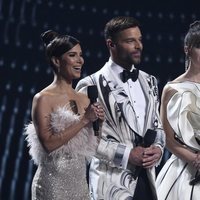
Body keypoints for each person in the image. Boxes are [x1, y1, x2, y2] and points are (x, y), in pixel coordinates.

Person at [76, 16, 165, 200]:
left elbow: (158, 125)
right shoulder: (90, 85)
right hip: (110, 185)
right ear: (111, 44)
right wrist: (127, 155)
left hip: (147, 182)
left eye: (139, 39)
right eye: (130, 41)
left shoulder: (150, 81)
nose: (138, 46)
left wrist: (158, 148)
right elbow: (84, 141)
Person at [24, 30, 104, 200]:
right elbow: (49, 144)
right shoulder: (43, 98)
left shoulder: (84, 98)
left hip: (80, 185)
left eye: (81, 55)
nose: (80, 60)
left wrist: (100, 123)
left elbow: (93, 148)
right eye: (72, 55)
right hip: (52, 186)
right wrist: (84, 120)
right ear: (56, 61)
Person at [156, 21, 200, 200]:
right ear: (187, 49)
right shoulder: (172, 88)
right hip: (183, 170)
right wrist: (194, 160)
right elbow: (167, 138)